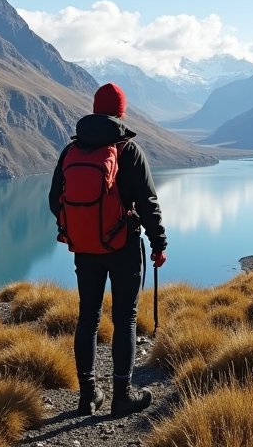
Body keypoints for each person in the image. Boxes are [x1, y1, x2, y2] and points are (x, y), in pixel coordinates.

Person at [48, 82, 168, 418]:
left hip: (84, 248)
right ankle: (122, 396)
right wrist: (159, 244)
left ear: (94, 108)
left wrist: (79, 225)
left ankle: (87, 396)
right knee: (125, 318)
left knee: (87, 318)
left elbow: (54, 199)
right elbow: (148, 203)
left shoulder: (73, 149)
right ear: (121, 112)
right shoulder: (127, 150)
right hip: (123, 247)